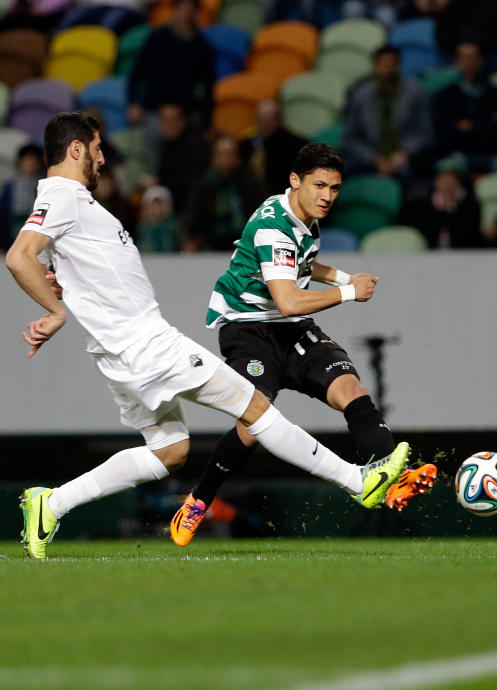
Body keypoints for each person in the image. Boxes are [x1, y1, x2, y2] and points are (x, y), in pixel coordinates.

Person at [6, 112, 411, 560]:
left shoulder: (70, 204)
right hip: (147, 343)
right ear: (77, 149)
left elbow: (64, 264)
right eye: (98, 149)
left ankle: (52, 503)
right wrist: (56, 309)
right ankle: (360, 482)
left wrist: (60, 287)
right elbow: (19, 257)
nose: (104, 158)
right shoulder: (63, 196)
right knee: (257, 409)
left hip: (117, 354)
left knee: (171, 452)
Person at [170, 142, 437, 546]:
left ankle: (388, 478)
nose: (328, 196)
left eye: (334, 188)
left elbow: (303, 266)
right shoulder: (273, 226)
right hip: (248, 329)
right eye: (319, 185)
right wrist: (350, 294)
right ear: (294, 181)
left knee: (351, 389)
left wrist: (344, 278)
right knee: (253, 425)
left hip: (289, 326)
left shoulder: (302, 215)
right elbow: (289, 298)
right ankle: (198, 500)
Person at [126, 0, 215, 168]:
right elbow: (137, 73)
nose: (185, 14)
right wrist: (133, 102)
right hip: (155, 109)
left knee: (187, 159)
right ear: (175, 10)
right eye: (181, 8)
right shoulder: (157, 38)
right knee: (151, 158)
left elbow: (208, 88)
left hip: (186, 113)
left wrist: (207, 122)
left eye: (189, 9)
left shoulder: (202, 45)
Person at [339, 45, 433, 186]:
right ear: (375, 66)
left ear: (398, 66)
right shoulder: (360, 95)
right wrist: (374, 159)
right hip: (370, 159)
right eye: (383, 65)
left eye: (391, 64)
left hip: (406, 158)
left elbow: (425, 133)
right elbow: (349, 138)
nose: (387, 70)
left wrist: (404, 154)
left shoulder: (415, 92)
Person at [431, 41, 497, 175]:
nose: (469, 63)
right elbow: (443, 131)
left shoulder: (496, 94)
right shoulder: (445, 96)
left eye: (473, 58)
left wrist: (471, 126)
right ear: (457, 62)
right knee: (450, 168)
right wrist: (485, 124)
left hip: (491, 153)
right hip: (458, 153)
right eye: (464, 58)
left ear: (480, 61)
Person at [180, 134, 263, 253]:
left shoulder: (250, 185)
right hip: (210, 245)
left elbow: (262, 216)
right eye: (220, 154)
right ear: (213, 159)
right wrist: (190, 240)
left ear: (237, 158)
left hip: (246, 244)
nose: (225, 159)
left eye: (229, 154)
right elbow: (191, 218)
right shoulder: (204, 187)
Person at [399, 159, 482, 249]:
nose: (447, 184)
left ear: (459, 183)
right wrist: (440, 211)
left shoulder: (470, 205)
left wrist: (452, 210)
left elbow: (471, 236)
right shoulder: (421, 205)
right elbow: (419, 234)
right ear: (436, 182)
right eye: (443, 179)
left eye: (451, 179)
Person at [240, 99, 309, 197]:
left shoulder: (296, 146)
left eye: (268, 120)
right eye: (260, 119)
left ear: (279, 120)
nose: (263, 125)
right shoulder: (246, 145)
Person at [0, 143, 43, 252]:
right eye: (27, 161)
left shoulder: (42, 184)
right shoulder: (10, 185)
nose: (30, 164)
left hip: (33, 230)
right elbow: (3, 212)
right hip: (11, 230)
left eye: (33, 162)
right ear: (19, 162)